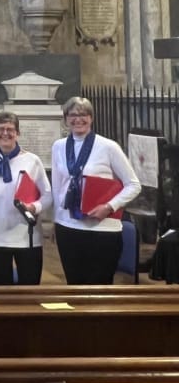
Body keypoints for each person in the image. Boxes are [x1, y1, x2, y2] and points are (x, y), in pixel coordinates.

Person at [50, 97, 141, 284]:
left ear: (91, 118)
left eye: (83, 114)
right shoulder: (59, 146)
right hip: (68, 228)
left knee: (99, 288)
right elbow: (58, 187)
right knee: (74, 285)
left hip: (102, 229)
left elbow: (133, 184)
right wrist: (56, 221)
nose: (78, 119)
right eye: (73, 115)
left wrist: (109, 206)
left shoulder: (108, 147)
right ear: (66, 119)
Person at [0, 112, 53, 285]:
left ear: (18, 133)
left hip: (27, 237)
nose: (5, 133)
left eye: (10, 129)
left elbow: (48, 195)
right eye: (0, 129)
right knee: (3, 290)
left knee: (29, 289)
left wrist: (35, 207)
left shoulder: (32, 160)